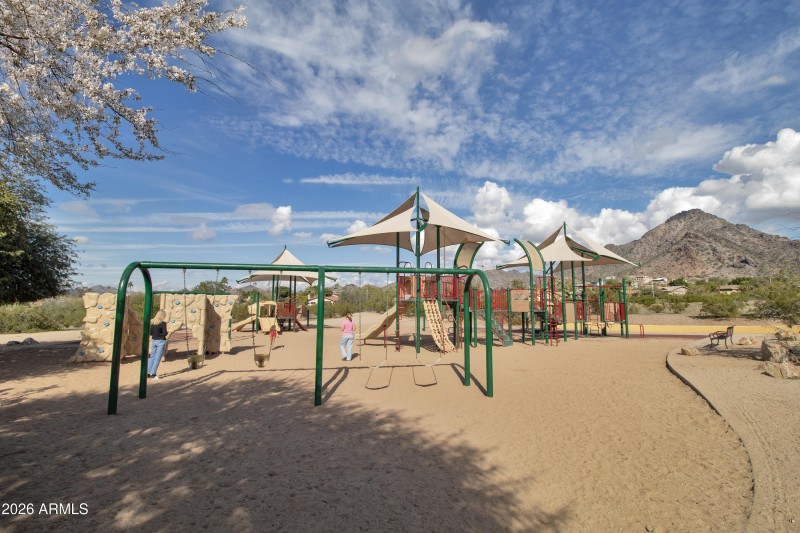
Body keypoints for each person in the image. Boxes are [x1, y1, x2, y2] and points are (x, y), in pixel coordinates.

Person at [148, 310, 168, 379]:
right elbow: (165, 333)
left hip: (154, 341)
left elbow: (150, 332)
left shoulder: (152, 322)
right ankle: (153, 374)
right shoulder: (163, 323)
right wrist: (162, 334)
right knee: (157, 357)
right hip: (161, 341)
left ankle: (148, 373)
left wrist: (156, 334)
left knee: (152, 356)